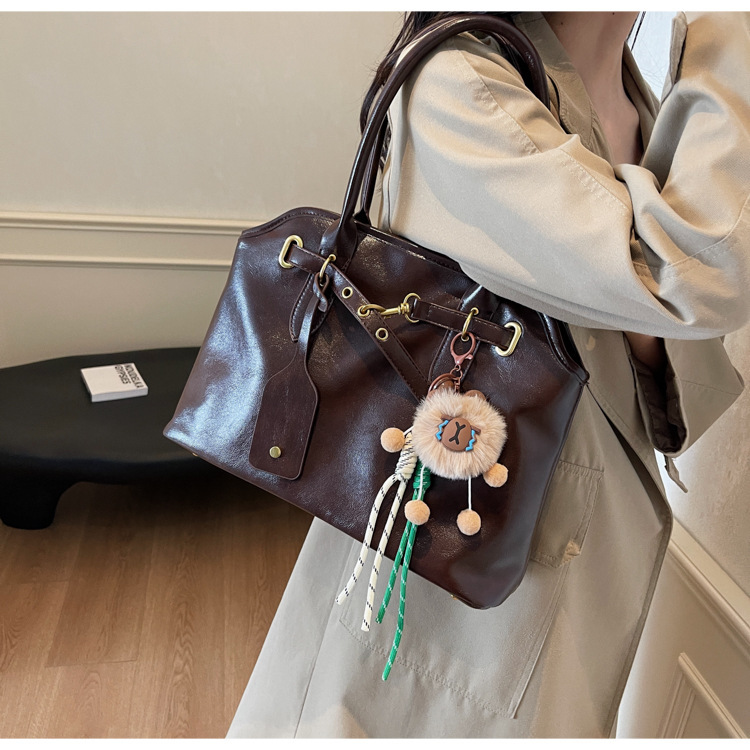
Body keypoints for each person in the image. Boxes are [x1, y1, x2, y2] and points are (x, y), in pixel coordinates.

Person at [227, 11, 749, 738]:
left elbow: (663, 342)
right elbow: (698, 278)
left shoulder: (637, 98)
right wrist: (733, 40)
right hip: (444, 595)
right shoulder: (461, 82)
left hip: (559, 579)